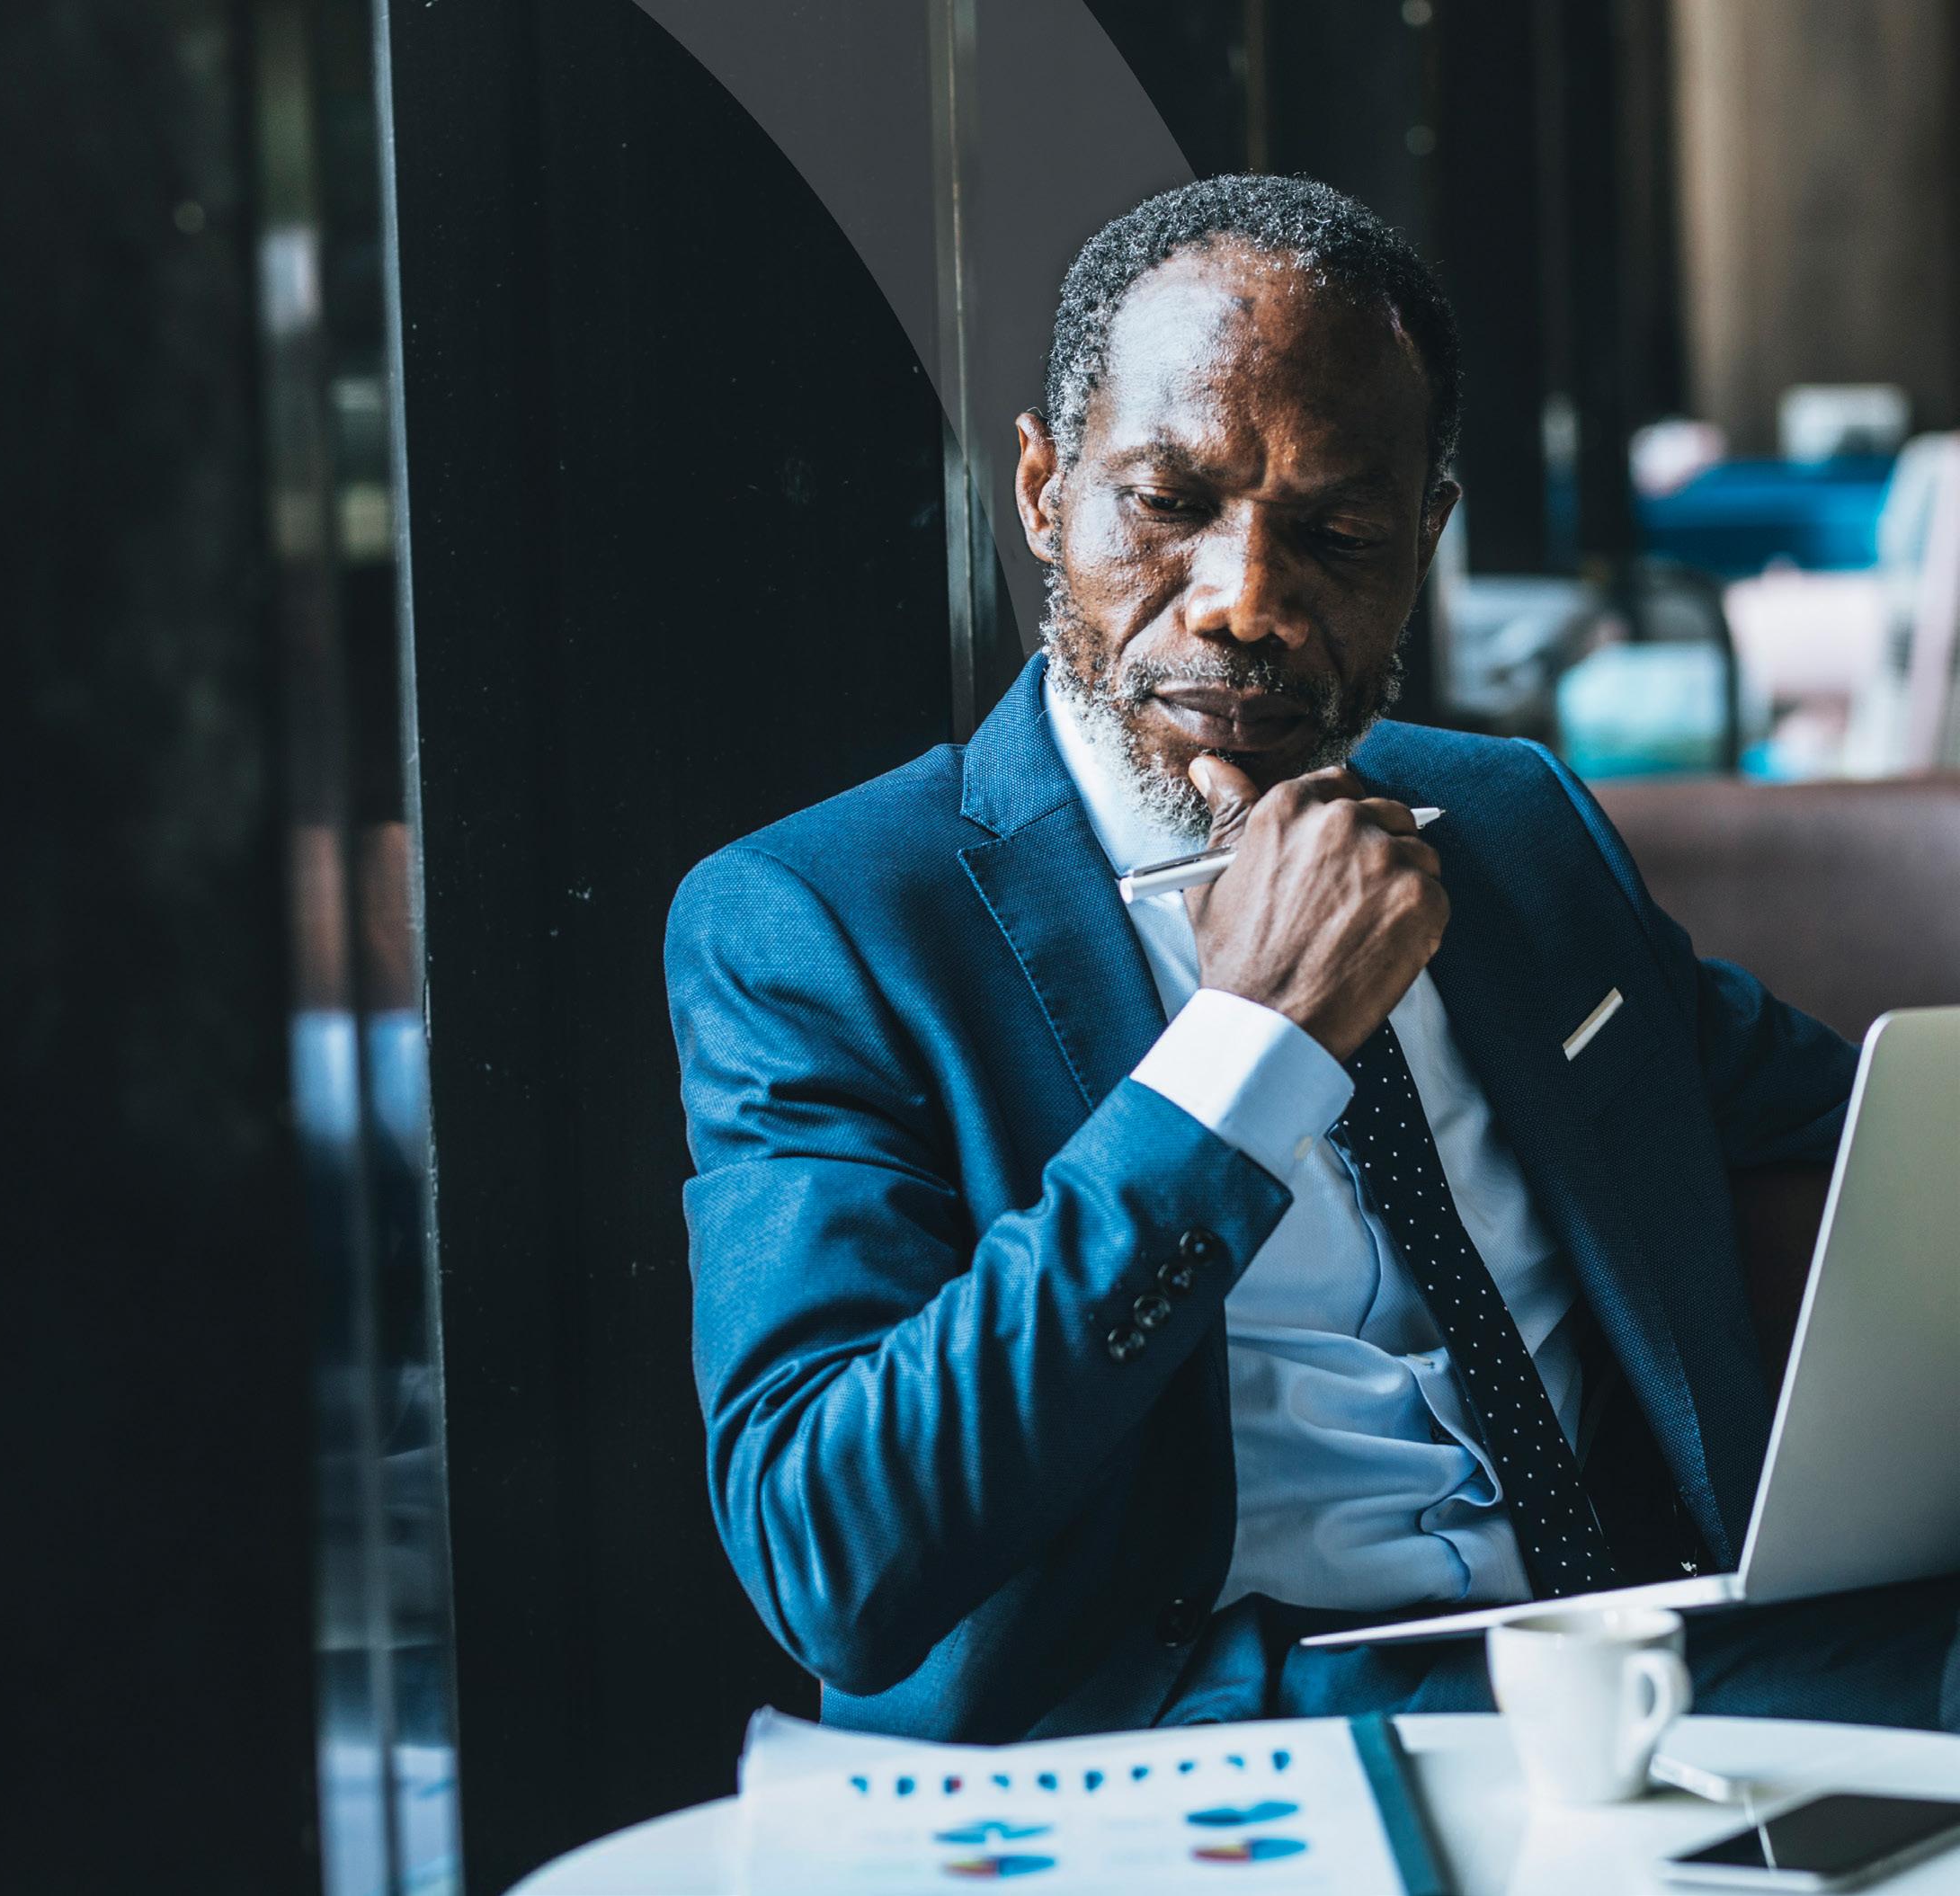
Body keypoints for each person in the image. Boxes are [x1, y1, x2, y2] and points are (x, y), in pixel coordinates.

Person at [664, 174, 1959, 1741]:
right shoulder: (824, 922)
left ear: (1424, 538)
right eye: (1167, 503)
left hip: (1637, 1660)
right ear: (1043, 491)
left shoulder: (1514, 824)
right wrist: (1249, 1046)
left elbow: (1874, 1132)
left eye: (1337, 533)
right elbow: (831, 1549)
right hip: (1207, 1735)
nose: (1246, 602)